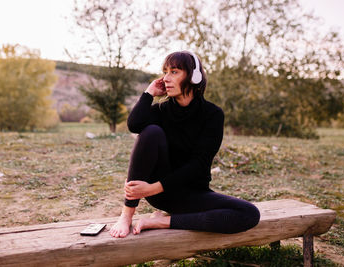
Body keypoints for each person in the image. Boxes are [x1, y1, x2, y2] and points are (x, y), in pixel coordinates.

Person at [110, 51, 260, 238]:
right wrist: (149, 93)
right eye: (165, 72)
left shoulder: (212, 115)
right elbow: (134, 125)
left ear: (193, 76)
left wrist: (152, 188)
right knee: (151, 132)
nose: (165, 78)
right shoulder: (161, 110)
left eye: (174, 72)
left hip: (192, 194)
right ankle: (126, 215)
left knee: (249, 213)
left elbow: (199, 165)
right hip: (160, 194)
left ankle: (161, 222)